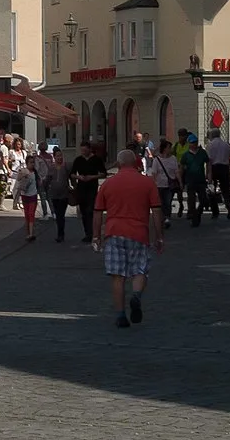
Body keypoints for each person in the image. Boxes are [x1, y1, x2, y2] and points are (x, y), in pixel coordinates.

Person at [93, 146, 164, 328]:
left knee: (118, 276)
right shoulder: (147, 183)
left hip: (114, 232)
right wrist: (159, 236)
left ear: (118, 164)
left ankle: (120, 316)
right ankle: (136, 296)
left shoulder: (108, 184)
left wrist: (96, 236)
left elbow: (98, 212)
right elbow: (156, 211)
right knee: (140, 270)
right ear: (136, 163)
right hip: (139, 233)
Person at [70, 140, 106, 244]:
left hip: (92, 187)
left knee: (90, 210)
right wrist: (78, 177)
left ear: (89, 149)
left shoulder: (96, 159)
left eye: (85, 150)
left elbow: (103, 173)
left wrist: (92, 177)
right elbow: (72, 173)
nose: (83, 152)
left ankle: (92, 233)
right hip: (81, 187)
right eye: (82, 150)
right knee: (83, 211)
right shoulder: (78, 160)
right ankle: (87, 233)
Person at [38, 145, 72, 242]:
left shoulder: (66, 166)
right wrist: (44, 187)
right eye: (58, 156)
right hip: (54, 194)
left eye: (61, 156)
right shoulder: (52, 168)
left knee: (61, 214)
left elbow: (71, 178)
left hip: (64, 194)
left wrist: (74, 188)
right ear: (54, 157)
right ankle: (60, 232)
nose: (60, 158)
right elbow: (48, 179)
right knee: (58, 214)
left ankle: (61, 234)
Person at [179, 133, 209, 227]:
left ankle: (198, 213)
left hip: (201, 179)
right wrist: (180, 181)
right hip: (190, 180)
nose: (194, 144)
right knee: (191, 200)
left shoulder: (202, 153)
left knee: (203, 199)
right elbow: (181, 168)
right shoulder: (186, 155)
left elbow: (208, 163)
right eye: (192, 143)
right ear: (189, 144)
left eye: (195, 142)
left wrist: (209, 174)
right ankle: (193, 216)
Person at [204, 128, 230, 218]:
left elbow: (209, 160)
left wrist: (208, 173)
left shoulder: (210, 145)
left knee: (212, 190)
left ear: (212, 135)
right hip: (224, 167)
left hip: (214, 167)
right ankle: (229, 207)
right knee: (226, 189)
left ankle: (215, 211)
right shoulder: (226, 145)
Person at [149, 139, 179, 226]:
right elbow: (154, 173)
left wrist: (180, 182)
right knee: (161, 202)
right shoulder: (157, 160)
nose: (171, 149)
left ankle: (167, 217)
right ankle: (162, 217)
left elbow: (176, 171)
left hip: (169, 185)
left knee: (168, 202)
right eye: (169, 148)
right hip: (159, 185)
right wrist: (153, 184)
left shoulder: (173, 159)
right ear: (165, 149)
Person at [11, 152, 40, 241]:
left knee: (31, 214)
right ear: (27, 163)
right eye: (30, 162)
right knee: (27, 215)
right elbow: (18, 178)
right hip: (25, 195)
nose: (32, 164)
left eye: (33, 162)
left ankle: (31, 234)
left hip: (33, 195)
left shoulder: (35, 173)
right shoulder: (23, 171)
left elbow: (39, 181)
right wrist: (23, 174)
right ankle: (28, 232)